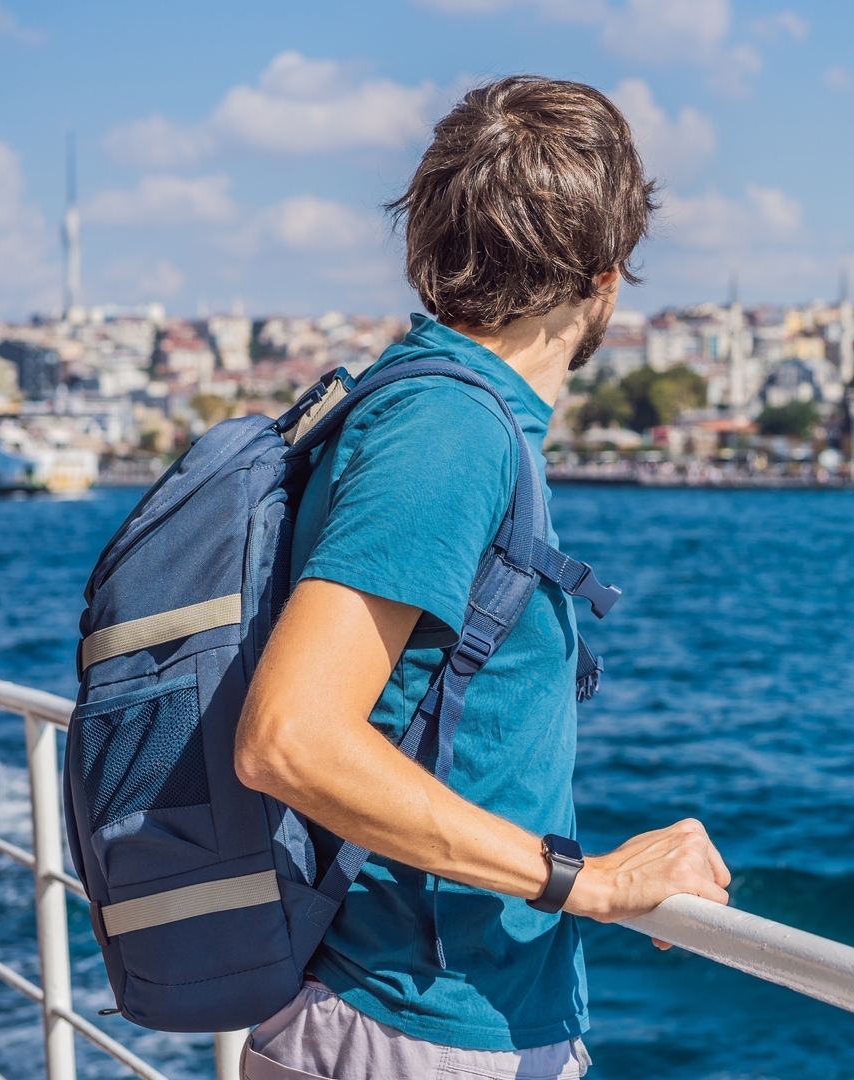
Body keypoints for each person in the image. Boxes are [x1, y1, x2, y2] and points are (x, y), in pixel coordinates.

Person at [232, 76, 729, 1080]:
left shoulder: (436, 409)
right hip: (407, 1029)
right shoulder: (449, 431)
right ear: (608, 273)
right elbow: (289, 738)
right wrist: (582, 883)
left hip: (413, 1019)